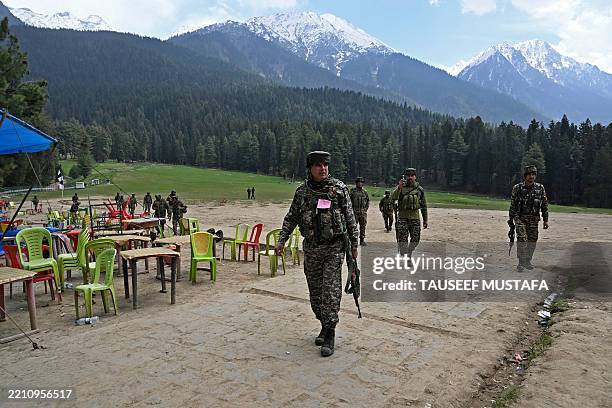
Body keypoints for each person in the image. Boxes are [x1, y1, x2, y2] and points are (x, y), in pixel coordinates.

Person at [276, 151, 359, 357]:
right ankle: (323, 324)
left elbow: (350, 218)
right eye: (318, 165)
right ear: (310, 168)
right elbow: (291, 218)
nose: (323, 168)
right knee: (316, 294)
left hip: (334, 248)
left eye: (325, 165)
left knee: (330, 291)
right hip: (312, 249)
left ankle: (330, 332)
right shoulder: (302, 193)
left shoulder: (339, 190)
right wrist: (281, 239)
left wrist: (354, 245)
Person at [509, 165, 549, 272]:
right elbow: (513, 204)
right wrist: (511, 219)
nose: (531, 177)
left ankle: (527, 261)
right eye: (529, 174)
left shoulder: (540, 188)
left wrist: (546, 220)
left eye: (533, 174)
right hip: (520, 218)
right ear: (525, 176)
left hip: (534, 219)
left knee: (532, 240)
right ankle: (521, 263)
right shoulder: (517, 188)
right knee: (522, 238)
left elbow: (544, 204)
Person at [391, 168, 427, 262]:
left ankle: (409, 252)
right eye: (408, 176)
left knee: (416, 239)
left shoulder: (419, 189)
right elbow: (393, 198)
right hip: (403, 217)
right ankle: (407, 255)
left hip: (415, 217)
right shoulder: (401, 187)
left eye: (412, 175)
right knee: (403, 239)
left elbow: (423, 205)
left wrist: (425, 220)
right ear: (405, 177)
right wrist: (399, 187)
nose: (410, 177)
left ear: (415, 177)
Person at [349, 177, 370, 245]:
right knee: (353, 227)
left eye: (361, 182)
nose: (360, 184)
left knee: (363, 226)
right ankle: (354, 241)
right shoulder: (352, 191)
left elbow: (367, 201)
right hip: (354, 212)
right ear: (356, 183)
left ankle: (362, 240)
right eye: (359, 182)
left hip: (363, 213)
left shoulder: (365, 192)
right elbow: (348, 201)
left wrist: (365, 210)